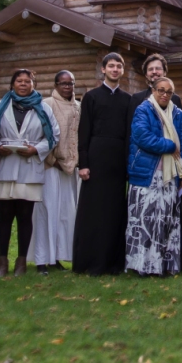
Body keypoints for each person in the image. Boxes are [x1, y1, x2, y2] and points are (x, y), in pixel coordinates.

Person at [0, 69, 61, 278]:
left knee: (25, 216)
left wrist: (36, 149)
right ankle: (2, 262)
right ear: (12, 85)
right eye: (19, 81)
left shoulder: (43, 109)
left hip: (29, 168)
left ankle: (21, 262)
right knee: (4, 216)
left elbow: (54, 135)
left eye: (27, 81)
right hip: (6, 167)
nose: (23, 84)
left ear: (33, 85)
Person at [72, 53, 132, 275]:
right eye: (111, 66)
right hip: (95, 160)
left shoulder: (128, 99)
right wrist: (83, 163)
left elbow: (129, 135)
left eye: (119, 66)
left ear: (122, 71)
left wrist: (128, 165)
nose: (115, 69)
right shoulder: (92, 97)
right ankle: (90, 262)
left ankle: (113, 263)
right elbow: (83, 132)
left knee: (115, 213)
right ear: (103, 70)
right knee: (94, 212)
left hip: (118, 161)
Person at [126, 77, 182, 276]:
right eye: (160, 90)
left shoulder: (178, 114)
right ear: (153, 90)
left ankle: (164, 265)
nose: (164, 94)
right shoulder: (143, 110)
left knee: (165, 220)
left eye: (168, 92)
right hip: (147, 173)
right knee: (144, 219)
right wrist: (170, 145)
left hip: (170, 175)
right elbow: (142, 137)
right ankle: (140, 266)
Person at [31, 70, 81, 276]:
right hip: (51, 167)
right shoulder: (47, 104)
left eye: (71, 83)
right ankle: (42, 259)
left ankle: (56, 258)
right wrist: (53, 160)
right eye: (63, 83)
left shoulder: (79, 106)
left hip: (71, 169)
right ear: (56, 85)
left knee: (65, 215)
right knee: (46, 213)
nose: (68, 87)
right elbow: (40, 134)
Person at [128, 53, 182, 128]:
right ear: (146, 75)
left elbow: (180, 127)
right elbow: (131, 127)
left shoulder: (175, 99)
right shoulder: (137, 98)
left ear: (164, 72)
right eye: (150, 69)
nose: (154, 71)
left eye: (158, 68)